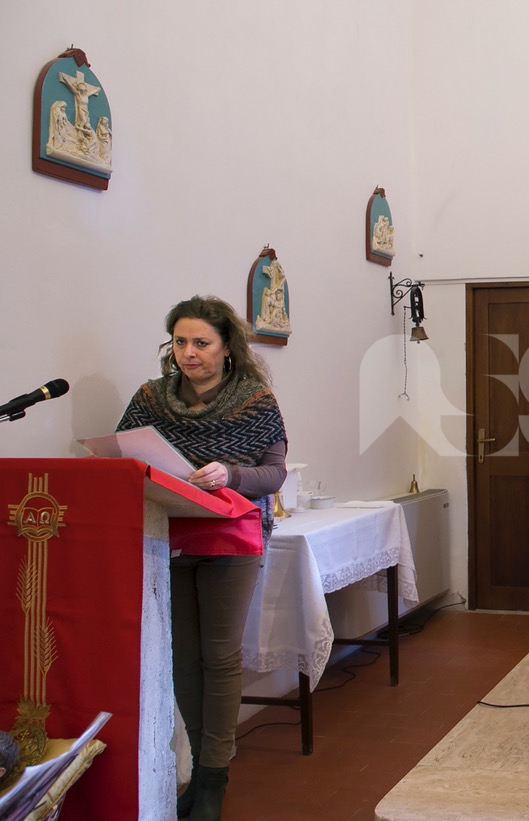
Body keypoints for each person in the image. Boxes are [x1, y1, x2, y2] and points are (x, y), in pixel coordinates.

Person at [117, 295, 287, 821]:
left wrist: (230, 474)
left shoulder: (254, 400)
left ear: (226, 346)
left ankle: (214, 776)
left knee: (219, 656)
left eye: (201, 343)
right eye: (180, 342)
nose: (188, 352)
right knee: (183, 657)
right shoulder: (151, 398)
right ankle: (197, 769)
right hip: (168, 534)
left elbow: (274, 474)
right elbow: (125, 452)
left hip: (231, 538)